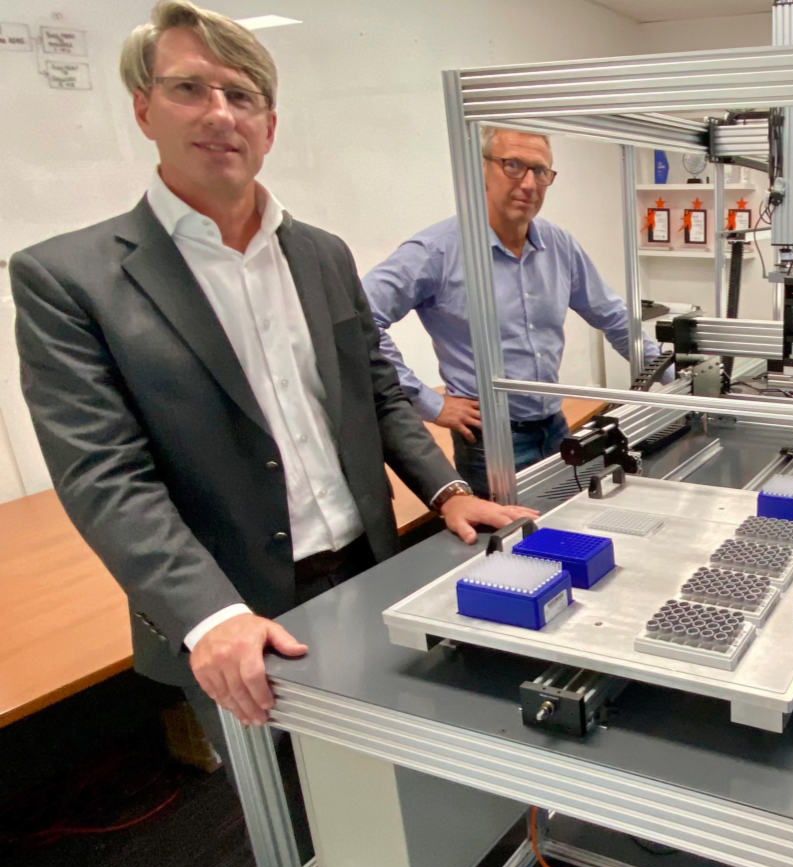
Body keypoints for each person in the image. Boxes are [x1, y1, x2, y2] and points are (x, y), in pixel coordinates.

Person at [10, 1, 537, 762]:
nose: (220, 113)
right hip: (236, 605)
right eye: (189, 89)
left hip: (368, 568)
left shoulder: (322, 254)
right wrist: (207, 614)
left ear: (270, 124)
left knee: (394, 782)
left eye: (241, 94)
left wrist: (448, 492)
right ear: (144, 109)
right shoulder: (69, 280)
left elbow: (376, 391)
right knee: (285, 805)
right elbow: (104, 476)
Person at [363, 127, 664, 497]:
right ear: (480, 170)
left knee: (568, 524)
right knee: (512, 533)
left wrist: (670, 376)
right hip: (489, 443)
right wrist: (429, 403)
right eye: (513, 166)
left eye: (540, 171)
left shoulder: (558, 244)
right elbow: (362, 320)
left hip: (555, 427)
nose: (528, 183)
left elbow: (612, 316)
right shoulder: (436, 251)